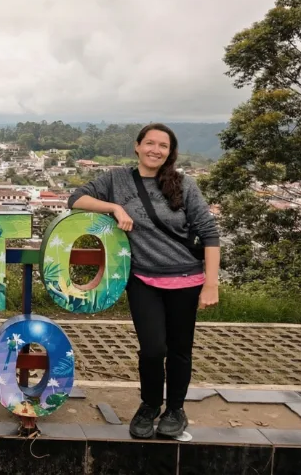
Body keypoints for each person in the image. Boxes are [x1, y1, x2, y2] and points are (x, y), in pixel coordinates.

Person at [67, 123, 220, 439]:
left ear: (170, 152)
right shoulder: (117, 180)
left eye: (163, 146)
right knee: (152, 349)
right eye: (150, 143)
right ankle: (149, 404)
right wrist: (113, 206)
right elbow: (76, 199)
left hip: (186, 279)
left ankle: (175, 409)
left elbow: (209, 233)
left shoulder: (183, 184)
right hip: (143, 280)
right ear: (137, 146)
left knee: (179, 349)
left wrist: (211, 283)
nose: (155, 150)